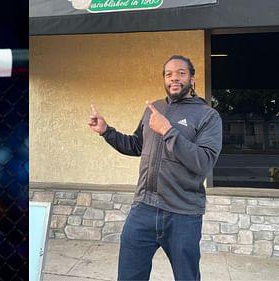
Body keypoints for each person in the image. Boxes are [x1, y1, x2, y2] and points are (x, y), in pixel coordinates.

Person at [88, 55, 222, 281]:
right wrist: (106, 131)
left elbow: (204, 161)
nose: (174, 78)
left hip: (183, 214)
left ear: (192, 77)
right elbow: (135, 145)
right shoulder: (154, 109)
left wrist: (169, 132)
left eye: (180, 73)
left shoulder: (208, 116)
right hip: (143, 209)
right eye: (168, 74)